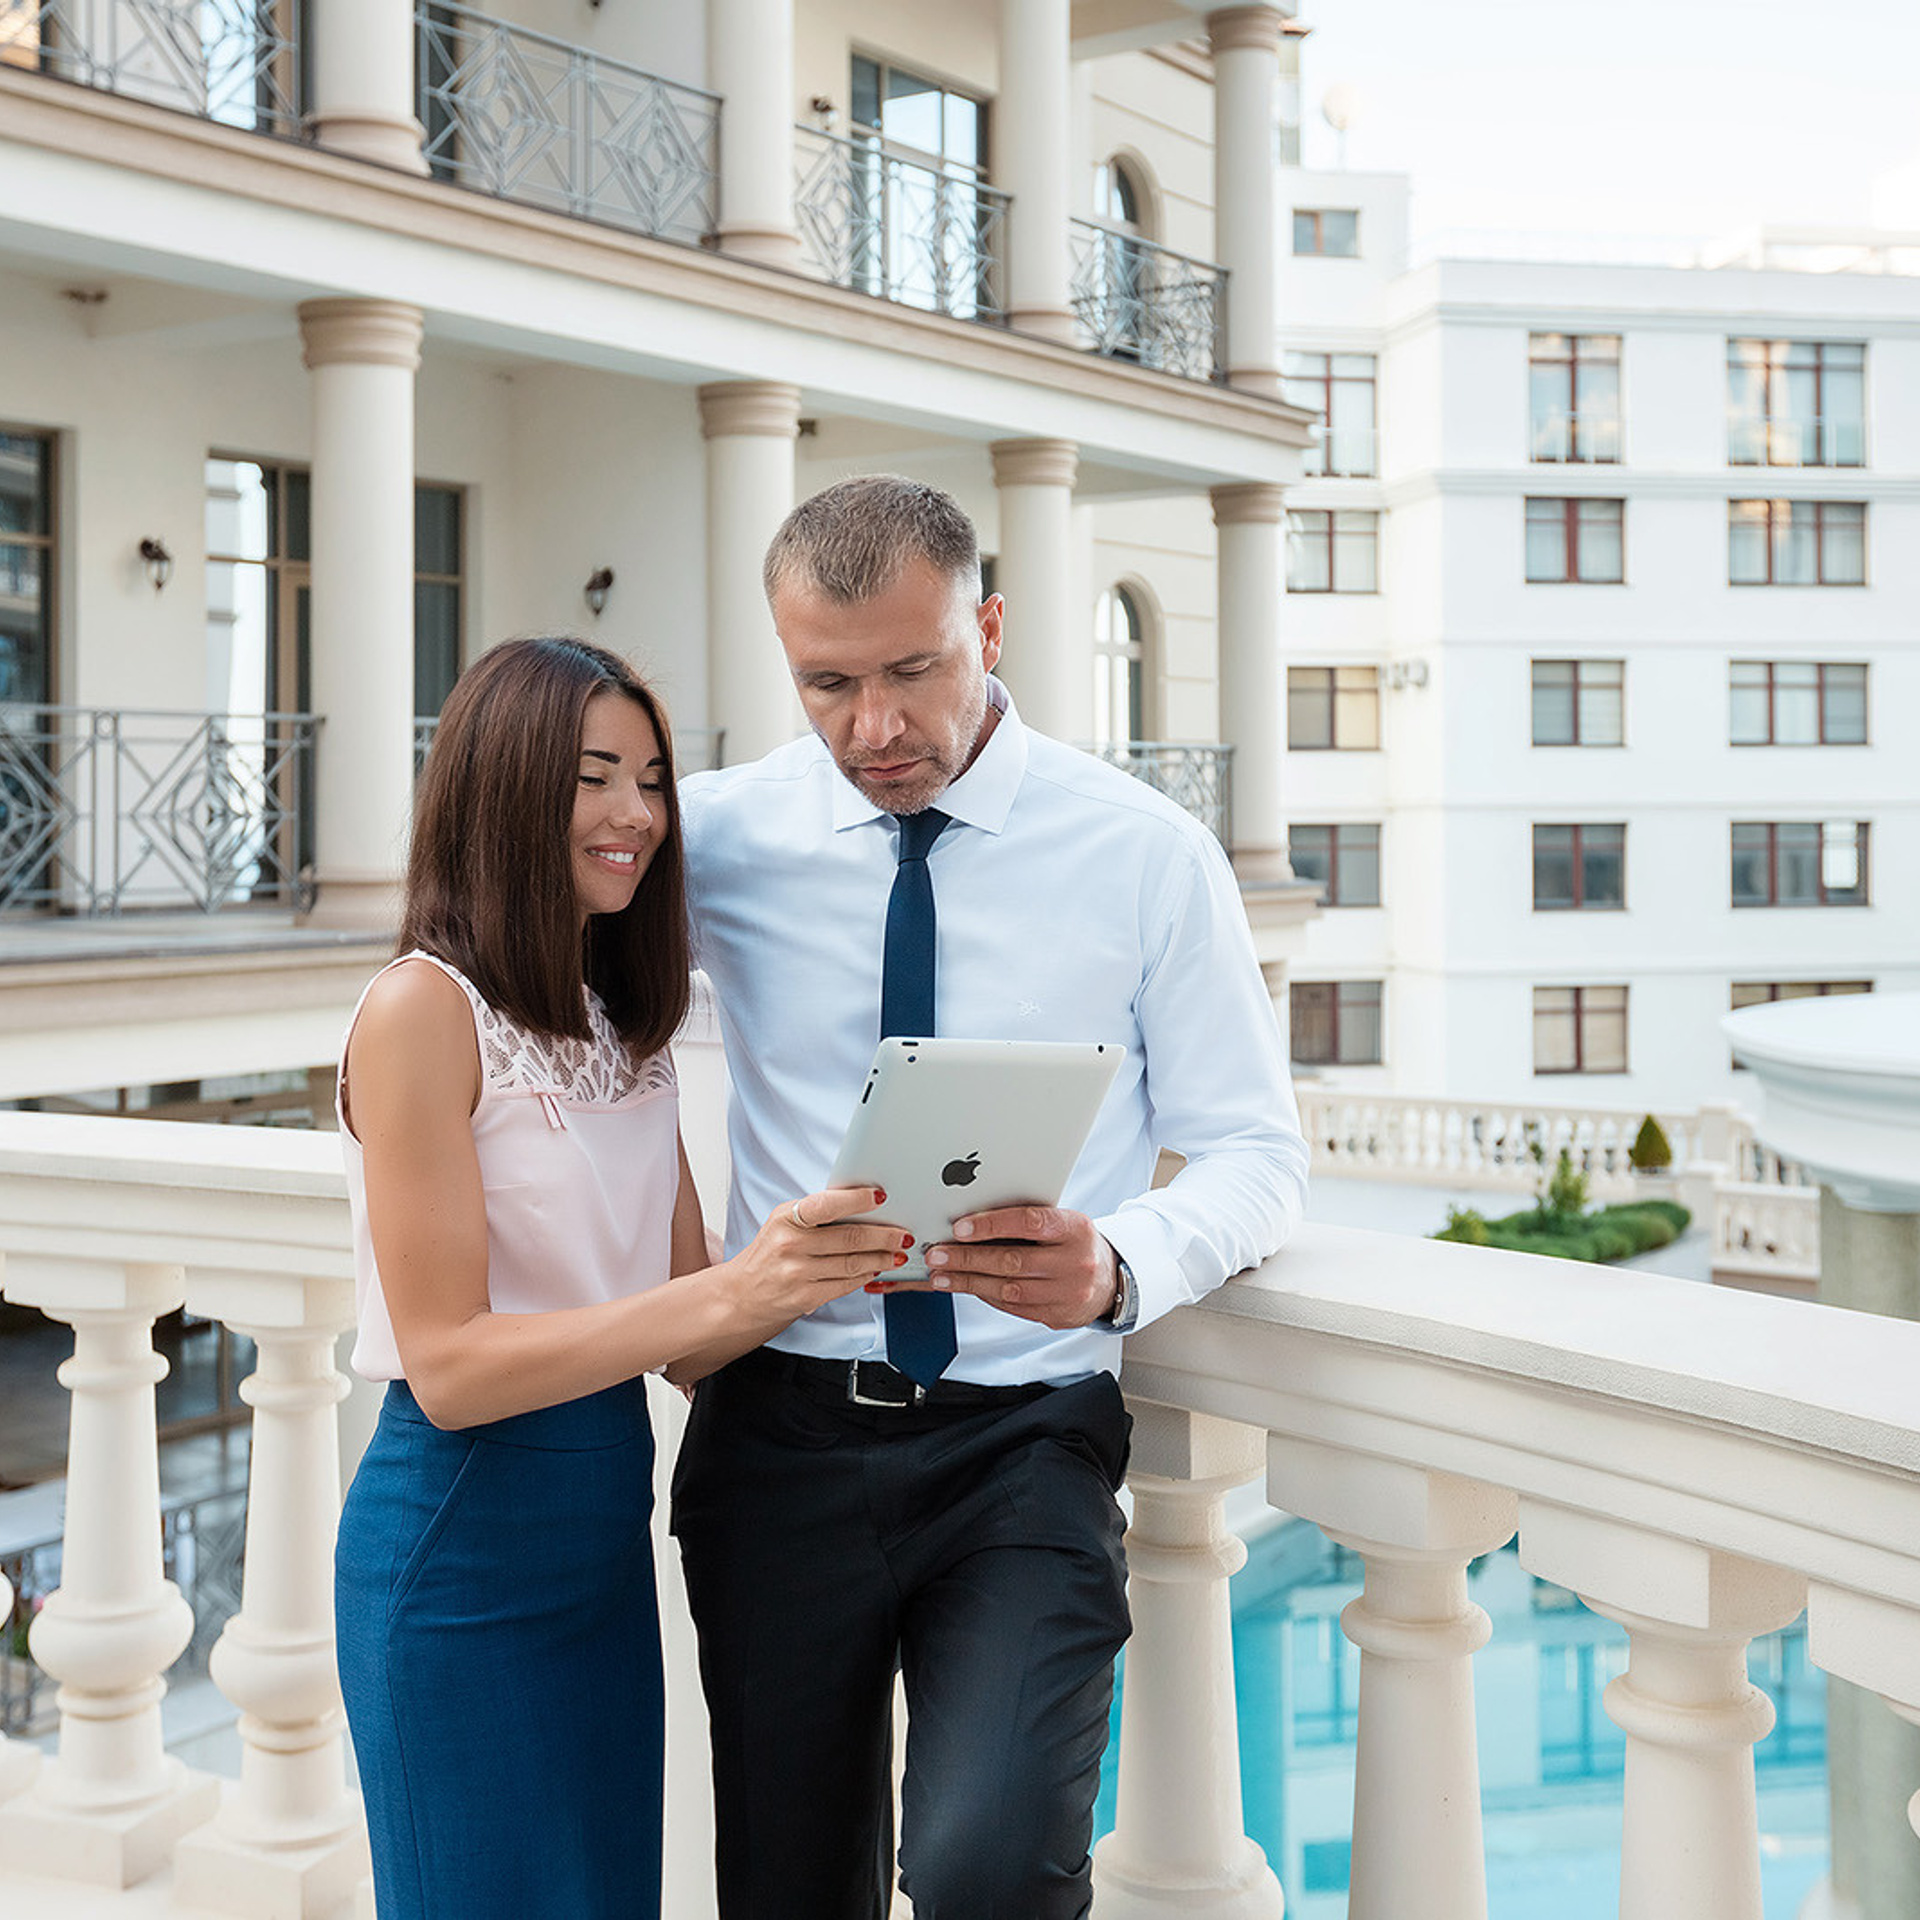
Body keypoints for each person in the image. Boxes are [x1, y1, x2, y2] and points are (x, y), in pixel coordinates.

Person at [672, 476, 1310, 1919]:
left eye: (915, 670)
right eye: (827, 684)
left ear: (994, 628)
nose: (874, 728)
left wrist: (1119, 1267)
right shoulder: (714, 840)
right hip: (774, 1433)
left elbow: (1258, 1153)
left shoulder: (1147, 854)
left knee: (988, 1870)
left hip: (1024, 1444)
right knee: (785, 1886)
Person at [332, 636, 907, 1920]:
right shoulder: (420, 1010)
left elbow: (695, 1339)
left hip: (599, 1540)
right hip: (457, 1544)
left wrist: (854, 1247)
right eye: (596, 777)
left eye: (652, 780)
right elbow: (454, 1367)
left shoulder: (621, 1023)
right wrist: (732, 1294)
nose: (637, 814)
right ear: (504, 787)